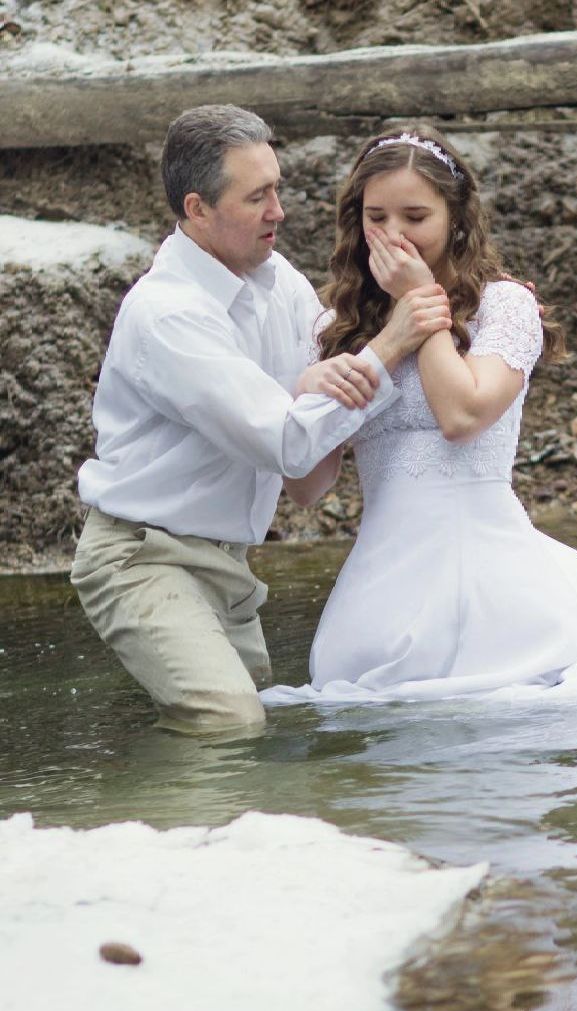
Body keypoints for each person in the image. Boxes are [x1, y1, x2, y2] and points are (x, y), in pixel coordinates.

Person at [260, 126, 577, 705]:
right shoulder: (335, 326)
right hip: (378, 592)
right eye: (376, 217)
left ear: (455, 218)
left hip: (497, 585)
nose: (394, 235)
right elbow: (307, 487)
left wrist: (418, 305)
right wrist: (310, 390)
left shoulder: (504, 306)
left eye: (415, 217)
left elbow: (462, 416)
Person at [70, 105, 452, 733]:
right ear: (197, 209)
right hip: (143, 557)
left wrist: (316, 380)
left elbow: (312, 460)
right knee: (229, 722)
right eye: (257, 197)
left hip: (230, 562)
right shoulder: (168, 314)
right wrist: (389, 343)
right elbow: (288, 444)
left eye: (277, 188)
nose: (280, 210)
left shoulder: (280, 283)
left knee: (257, 736)